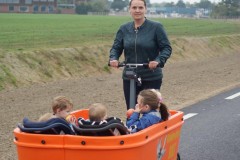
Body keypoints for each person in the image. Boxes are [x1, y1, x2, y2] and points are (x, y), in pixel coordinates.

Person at [109, 0, 172, 110]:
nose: (137, 10)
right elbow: (116, 47)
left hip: (151, 75)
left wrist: (158, 61)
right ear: (129, 9)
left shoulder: (156, 27)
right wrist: (113, 58)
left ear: (145, 9)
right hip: (130, 75)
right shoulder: (124, 29)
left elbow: (166, 48)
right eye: (134, 8)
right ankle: (132, 127)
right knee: (132, 110)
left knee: (149, 110)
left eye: (140, 7)